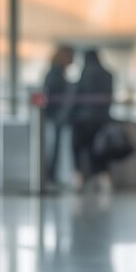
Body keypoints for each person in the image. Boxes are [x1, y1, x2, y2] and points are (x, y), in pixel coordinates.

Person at [70, 49, 114, 191]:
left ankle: (80, 177)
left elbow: (76, 97)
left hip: (82, 120)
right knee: (100, 151)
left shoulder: (84, 74)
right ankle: (104, 179)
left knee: (79, 148)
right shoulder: (107, 75)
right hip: (101, 119)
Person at [43, 45, 75, 185]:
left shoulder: (57, 72)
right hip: (55, 116)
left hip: (56, 116)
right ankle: (50, 176)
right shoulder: (56, 73)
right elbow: (52, 96)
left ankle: (52, 176)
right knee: (53, 147)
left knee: (55, 147)